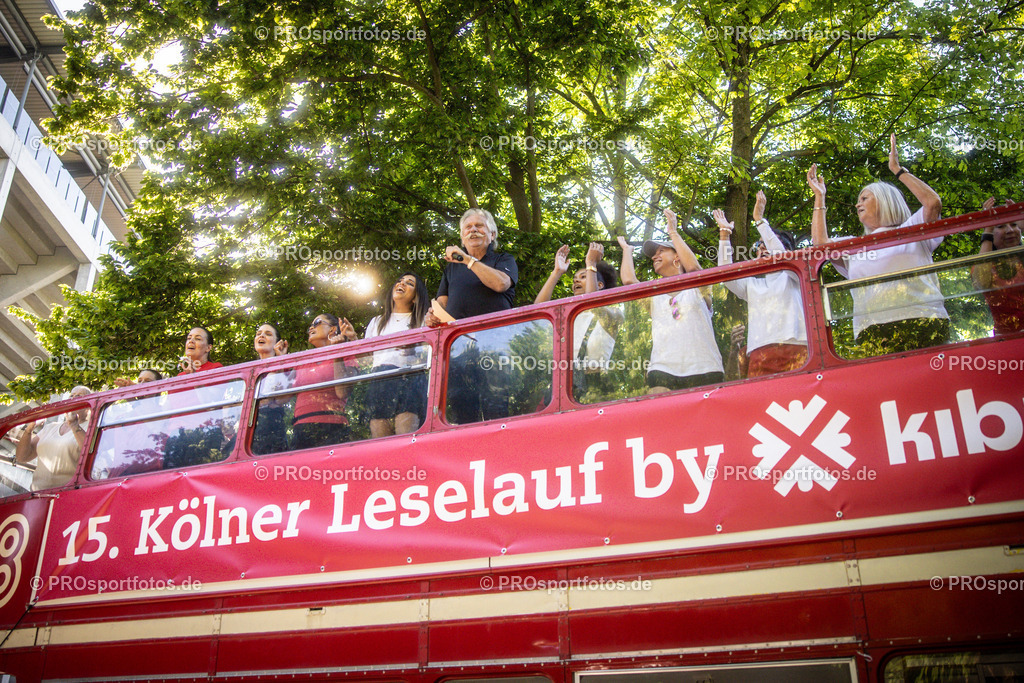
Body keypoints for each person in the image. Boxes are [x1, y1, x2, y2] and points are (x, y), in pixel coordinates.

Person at [808, 134, 948, 356]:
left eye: (864, 198)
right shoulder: (853, 245)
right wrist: (820, 197)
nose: (857, 204)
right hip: (871, 331)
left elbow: (932, 203)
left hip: (923, 322)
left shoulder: (912, 228)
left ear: (885, 200)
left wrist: (898, 170)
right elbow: (821, 245)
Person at [619, 209, 724, 393]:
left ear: (677, 257)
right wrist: (627, 250)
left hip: (705, 368)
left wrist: (673, 232)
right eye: (654, 254)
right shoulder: (654, 295)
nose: (654, 256)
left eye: (661, 251)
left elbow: (693, 268)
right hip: (662, 369)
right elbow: (629, 282)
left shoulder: (698, 288)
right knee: (659, 418)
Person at [715, 191, 808, 376]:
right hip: (759, 353)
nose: (762, 248)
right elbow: (724, 275)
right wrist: (724, 235)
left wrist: (759, 220)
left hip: (795, 348)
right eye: (758, 246)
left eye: (767, 242)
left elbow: (782, 257)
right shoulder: (752, 284)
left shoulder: (795, 275)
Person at [534, 242, 623, 394]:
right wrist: (557, 272)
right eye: (575, 279)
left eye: (583, 277)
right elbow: (537, 311)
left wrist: (591, 264)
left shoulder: (613, 313)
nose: (576, 281)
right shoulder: (569, 316)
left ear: (599, 284)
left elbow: (593, 305)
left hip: (595, 387)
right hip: (563, 385)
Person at [364, 272, 430, 437]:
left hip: (410, 376)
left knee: (406, 437)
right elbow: (366, 359)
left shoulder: (423, 320)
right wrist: (351, 340)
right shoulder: (376, 321)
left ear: (416, 297)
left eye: (410, 283)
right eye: (400, 281)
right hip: (379, 378)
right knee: (380, 441)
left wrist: (413, 351)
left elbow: (430, 354)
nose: (402, 283)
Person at [426, 208, 518, 324]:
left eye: (479, 225)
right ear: (463, 239)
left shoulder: (503, 259)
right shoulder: (451, 268)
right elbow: (442, 304)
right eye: (468, 227)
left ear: (492, 235)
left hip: (496, 335)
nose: (473, 230)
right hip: (458, 338)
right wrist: (432, 316)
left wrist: (468, 260)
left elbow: (501, 284)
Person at [291, 313, 355, 450]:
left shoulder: (347, 354)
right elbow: (280, 397)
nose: (311, 328)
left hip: (333, 427)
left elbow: (342, 392)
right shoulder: (302, 360)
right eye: (310, 326)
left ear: (332, 329)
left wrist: (337, 354)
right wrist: (281, 360)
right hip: (301, 429)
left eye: (317, 323)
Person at [15, 385, 92, 491]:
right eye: (71, 395)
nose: (73, 398)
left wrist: (74, 425)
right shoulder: (50, 427)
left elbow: (89, 451)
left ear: (88, 405)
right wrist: (29, 429)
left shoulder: (91, 427)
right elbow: (22, 457)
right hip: (36, 493)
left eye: (79, 396)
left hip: (67, 494)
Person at [972, 197, 1023, 335]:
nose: (1010, 230)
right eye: (1000, 226)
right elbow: (981, 284)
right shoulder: (985, 265)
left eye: (1014, 224)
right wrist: (987, 228)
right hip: (1007, 340)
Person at [251, 323, 290, 454]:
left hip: (271, 430)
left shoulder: (285, 367)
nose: (261, 336)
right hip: (250, 430)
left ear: (278, 343)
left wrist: (279, 361)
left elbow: (275, 399)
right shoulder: (249, 370)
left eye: (268, 334)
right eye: (258, 334)